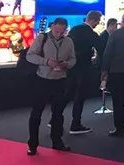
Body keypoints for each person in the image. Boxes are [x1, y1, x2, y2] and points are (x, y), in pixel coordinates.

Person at [25, 18, 76, 155]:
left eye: (62, 31)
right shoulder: (42, 38)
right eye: (57, 31)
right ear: (52, 26)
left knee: (58, 114)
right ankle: (32, 144)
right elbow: (30, 56)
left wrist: (66, 64)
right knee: (36, 113)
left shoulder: (68, 41)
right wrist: (46, 62)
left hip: (60, 80)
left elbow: (73, 59)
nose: (59, 34)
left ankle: (57, 141)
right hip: (42, 80)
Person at [66, 10, 104, 135]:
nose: (97, 24)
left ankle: (54, 119)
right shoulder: (91, 33)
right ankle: (75, 124)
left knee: (67, 93)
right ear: (93, 20)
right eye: (98, 22)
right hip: (84, 68)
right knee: (80, 96)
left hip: (71, 66)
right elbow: (102, 49)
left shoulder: (74, 30)